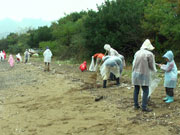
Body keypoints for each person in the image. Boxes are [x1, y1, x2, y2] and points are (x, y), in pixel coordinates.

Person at [132, 39, 157, 112]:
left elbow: (133, 63)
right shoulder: (149, 54)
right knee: (146, 90)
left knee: (136, 89)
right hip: (144, 74)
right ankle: (144, 107)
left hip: (135, 73)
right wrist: (155, 72)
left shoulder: (137, 53)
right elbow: (152, 66)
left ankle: (136, 105)